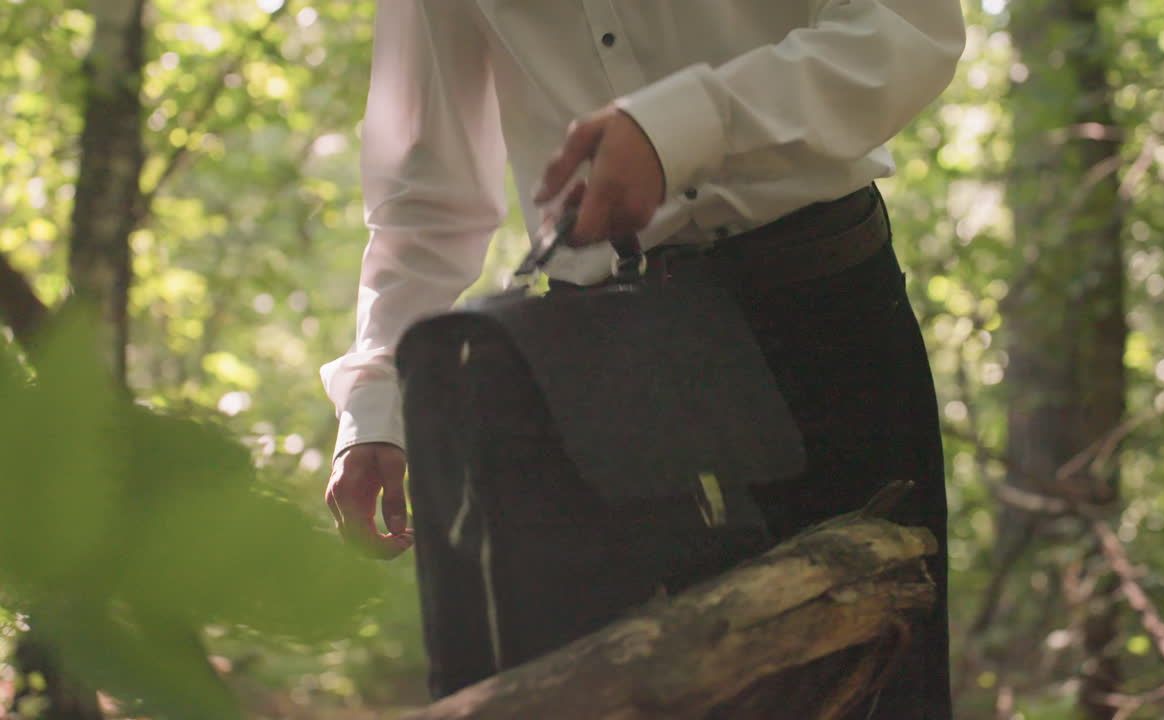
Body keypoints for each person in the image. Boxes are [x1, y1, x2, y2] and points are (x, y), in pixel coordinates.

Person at [321, 1, 965, 716]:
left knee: (877, 683)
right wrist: (377, 400)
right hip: (597, 377)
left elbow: (909, 34)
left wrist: (686, 121)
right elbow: (424, 198)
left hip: (825, 326)